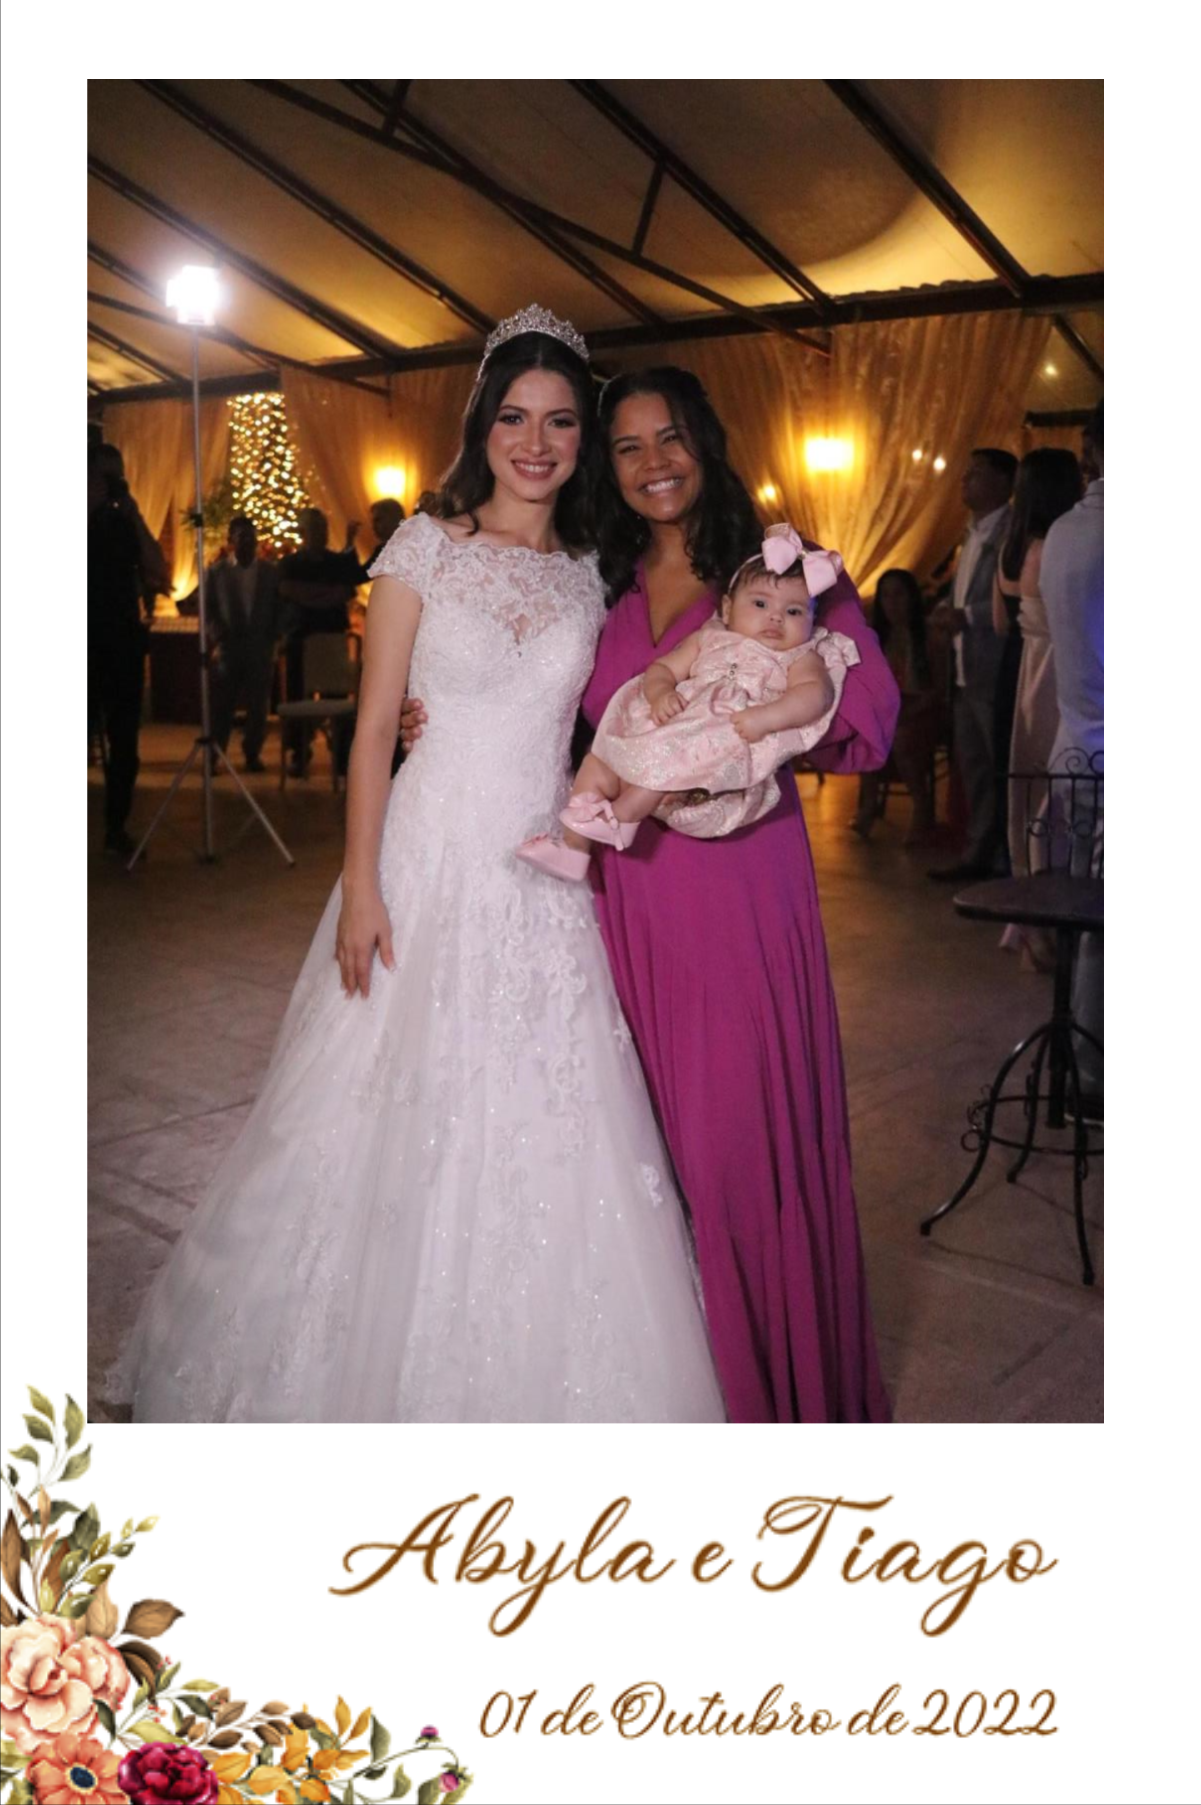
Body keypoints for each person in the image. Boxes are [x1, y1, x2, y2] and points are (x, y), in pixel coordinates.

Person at [114, 305, 725, 1425]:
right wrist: (362, 884)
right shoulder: (422, 548)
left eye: (558, 422)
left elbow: (602, 712)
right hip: (425, 857)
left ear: (581, 439)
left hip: (542, 877)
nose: (534, 442)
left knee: (550, 1120)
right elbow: (371, 729)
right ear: (480, 424)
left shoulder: (590, 572)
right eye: (513, 417)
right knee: (368, 1109)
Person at [410, 367, 899, 1422]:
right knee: (646, 1155)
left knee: (734, 1153)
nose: (652, 464)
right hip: (625, 900)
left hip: (738, 889)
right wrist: (431, 712)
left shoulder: (777, 568)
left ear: (705, 441)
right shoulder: (604, 580)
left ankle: (773, 1394)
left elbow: (866, 720)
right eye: (626, 446)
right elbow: (549, 710)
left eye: (669, 437)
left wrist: (749, 732)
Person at [517, 523, 855, 879]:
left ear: (812, 619)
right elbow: (663, 668)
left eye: (794, 611)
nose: (775, 617)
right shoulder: (709, 638)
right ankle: (573, 850)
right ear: (728, 608)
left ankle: (624, 818)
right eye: (760, 603)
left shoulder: (798, 657)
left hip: (721, 750)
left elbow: (815, 695)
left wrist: (768, 717)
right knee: (598, 763)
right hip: (668, 733)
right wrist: (661, 692)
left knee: (675, 754)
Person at [992, 449, 1084, 961]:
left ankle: (1029, 919)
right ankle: (1048, 926)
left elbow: (1000, 622)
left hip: (1020, 668)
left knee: (1027, 793)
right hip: (1056, 673)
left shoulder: (1012, 550)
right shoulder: (1057, 547)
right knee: (1057, 795)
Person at [1040, 400, 1103, 1109]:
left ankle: (1084, 1069)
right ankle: (1090, 1074)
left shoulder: (1065, 529)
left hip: (1073, 743)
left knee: (1093, 918)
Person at [928, 447, 1017, 881]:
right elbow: (963, 591)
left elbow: (1016, 598)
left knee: (1001, 765)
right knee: (975, 768)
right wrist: (948, 608)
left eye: (976, 473)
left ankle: (1005, 856)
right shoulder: (970, 533)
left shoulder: (1011, 532)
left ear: (1003, 482)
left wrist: (968, 616)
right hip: (965, 668)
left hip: (994, 665)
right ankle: (978, 852)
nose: (965, 481)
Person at [88, 442, 170, 857]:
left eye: (117, 475)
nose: (112, 483)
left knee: (124, 742)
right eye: (104, 475)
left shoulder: (125, 522)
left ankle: (116, 825)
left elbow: (158, 569)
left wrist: (133, 514)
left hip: (121, 639)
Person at [851, 568, 939, 843]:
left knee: (900, 739)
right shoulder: (877, 637)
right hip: (890, 708)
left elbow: (937, 690)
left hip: (922, 708)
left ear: (911, 597)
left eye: (899, 595)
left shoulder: (929, 636)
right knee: (865, 736)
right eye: (886, 596)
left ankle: (921, 805)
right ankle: (868, 806)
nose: (892, 603)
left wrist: (906, 710)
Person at [278, 507, 360, 774]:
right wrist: (325, 595)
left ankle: (341, 757)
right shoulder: (290, 563)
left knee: (337, 697)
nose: (321, 534)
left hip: (332, 637)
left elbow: (344, 592)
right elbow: (290, 591)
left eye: (323, 529)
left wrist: (310, 595)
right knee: (296, 695)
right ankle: (299, 753)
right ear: (303, 532)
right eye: (315, 529)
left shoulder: (337, 562)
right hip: (300, 638)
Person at [207, 514, 282, 773]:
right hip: (229, 647)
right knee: (222, 705)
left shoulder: (270, 573)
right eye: (241, 537)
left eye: (251, 537)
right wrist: (217, 634)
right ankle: (215, 754)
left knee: (258, 705)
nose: (248, 542)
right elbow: (209, 608)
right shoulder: (217, 572)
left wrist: (274, 636)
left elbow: (279, 606)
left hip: (260, 647)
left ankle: (252, 753)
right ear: (231, 540)